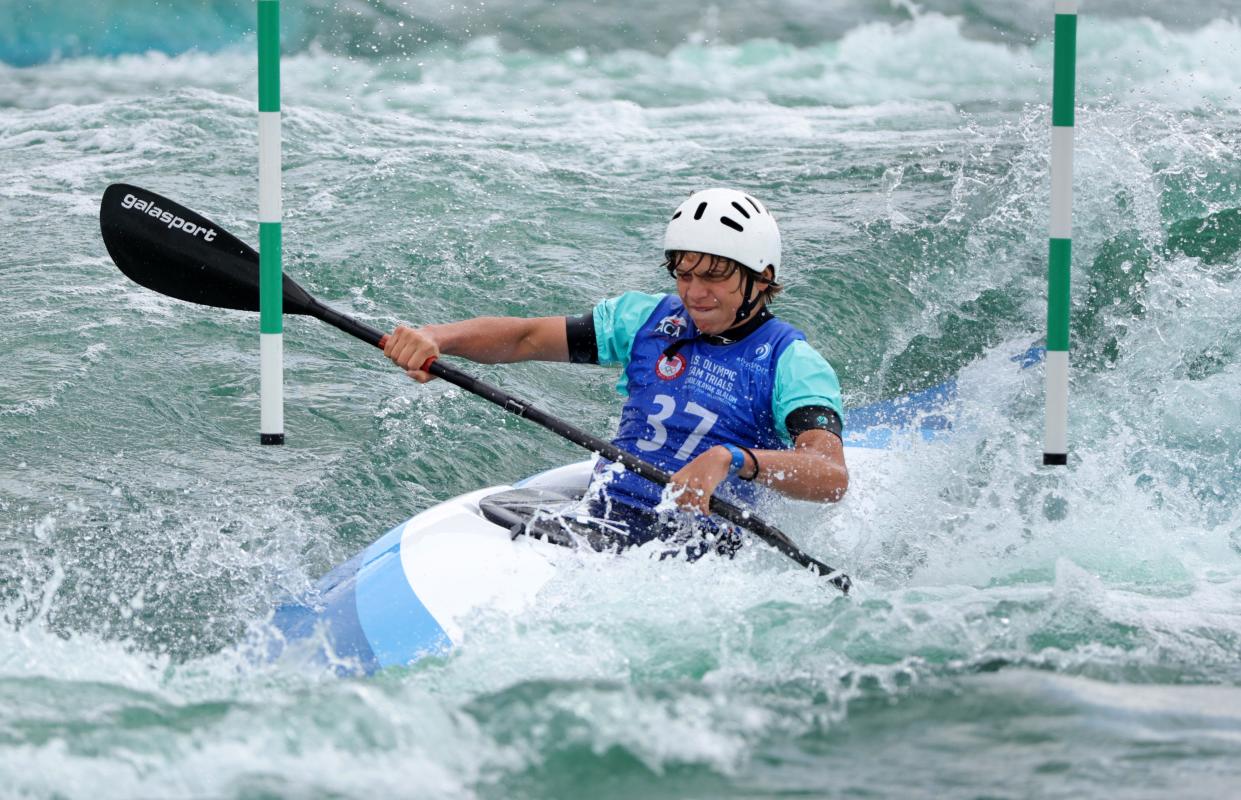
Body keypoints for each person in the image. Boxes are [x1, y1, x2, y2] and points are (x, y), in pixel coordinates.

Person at [383, 188, 848, 556]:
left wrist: (735, 459)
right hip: (607, 511)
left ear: (761, 278)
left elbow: (830, 476)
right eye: (684, 275)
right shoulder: (645, 319)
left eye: (714, 277)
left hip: (701, 544)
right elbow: (526, 337)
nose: (695, 292)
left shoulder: (793, 363)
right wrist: (438, 338)